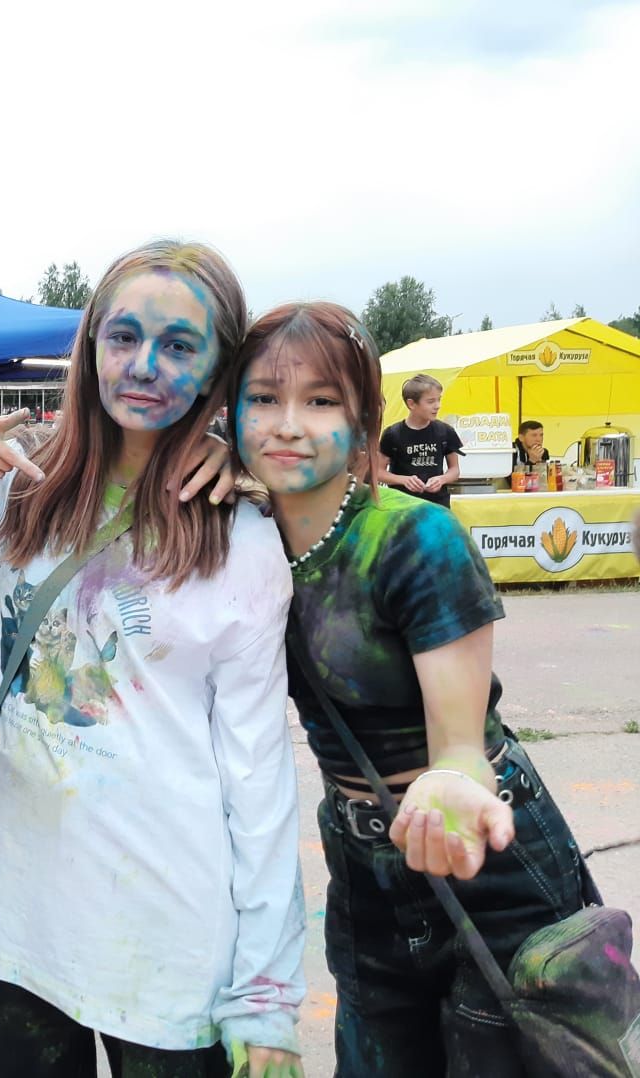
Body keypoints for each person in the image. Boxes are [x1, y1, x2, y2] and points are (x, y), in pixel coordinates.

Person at [0, 240, 305, 1077]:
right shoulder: (21, 488)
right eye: (122, 337)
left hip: (163, 949)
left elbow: (260, 782)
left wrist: (268, 993)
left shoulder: (240, 539)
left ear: (215, 368)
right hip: (9, 917)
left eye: (178, 346)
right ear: (90, 343)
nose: (143, 365)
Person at [226, 301, 590, 1077]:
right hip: (362, 865)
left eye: (321, 401)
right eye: (263, 398)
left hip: (484, 850)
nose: (289, 423)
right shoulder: (235, 539)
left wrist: (455, 782)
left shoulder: (416, 539)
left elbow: (461, 745)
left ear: (364, 424)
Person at [376, 374, 463, 507]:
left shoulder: (445, 431)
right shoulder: (392, 434)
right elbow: (378, 472)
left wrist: (441, 479)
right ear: (411, 404)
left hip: (438, 506)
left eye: (439, 400)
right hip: (402, 506)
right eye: (430, 401)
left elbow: (455, 470)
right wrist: (403, 480)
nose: (437, 406)